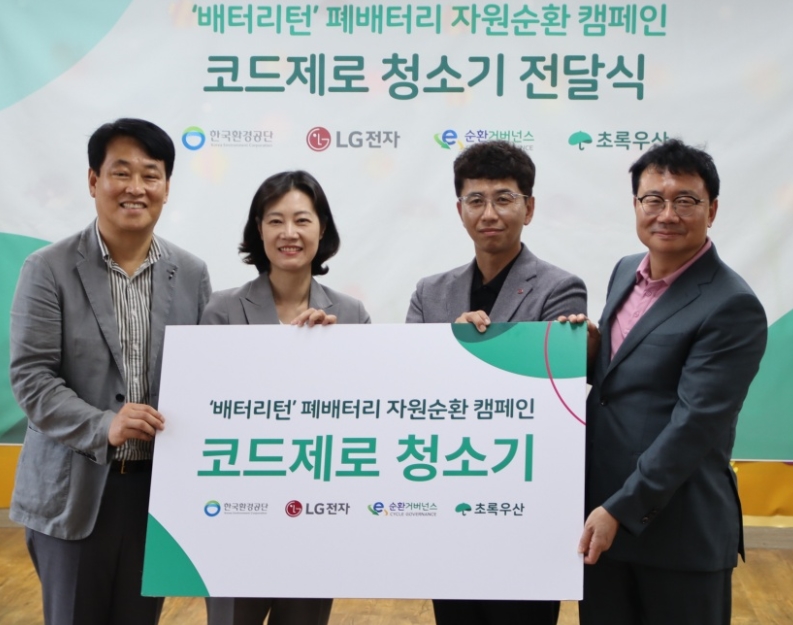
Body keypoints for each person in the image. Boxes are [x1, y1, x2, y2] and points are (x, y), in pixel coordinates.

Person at [9, 118, 211, 625]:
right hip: (74, 492)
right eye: (121, 172)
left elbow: (213, 369)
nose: (136, 187)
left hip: (157, 496)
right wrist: (106, 425)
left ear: (166, 187)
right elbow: (32, 377)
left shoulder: (191, 273)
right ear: (93, 180)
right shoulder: (47, 268)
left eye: (151, 174)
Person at [574, 139, 768, 625]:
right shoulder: (625, 272)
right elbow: (621, 384)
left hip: (678, 534)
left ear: (712, 210)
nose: (667, 214)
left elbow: (694, 426)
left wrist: (620, 509)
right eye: (653, 199)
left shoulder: (731, 304)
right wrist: (591, 353)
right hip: (602, 526)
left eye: (685, 200)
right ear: (636, 205)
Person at [406, 140, 586, 625]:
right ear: (459, 210)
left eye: (504, 198)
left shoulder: (561, 288)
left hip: (525, 497)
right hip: (448, 491)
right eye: (476, 200)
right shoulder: (429, 292)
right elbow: (409, 384)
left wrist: (464, 353)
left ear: (529, 208)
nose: (489, 213)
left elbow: (549, 392)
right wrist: (448, 345)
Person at [202, 170, 370, 625]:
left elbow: (365, 411)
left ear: (322, 229)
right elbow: (207, 407)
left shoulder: (350, 314)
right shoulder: (221, 310)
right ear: (259, 230)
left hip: (317, 514)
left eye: (302, 220)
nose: (289, 233)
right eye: (275, 221)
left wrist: (331, 355)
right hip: (236, 514)